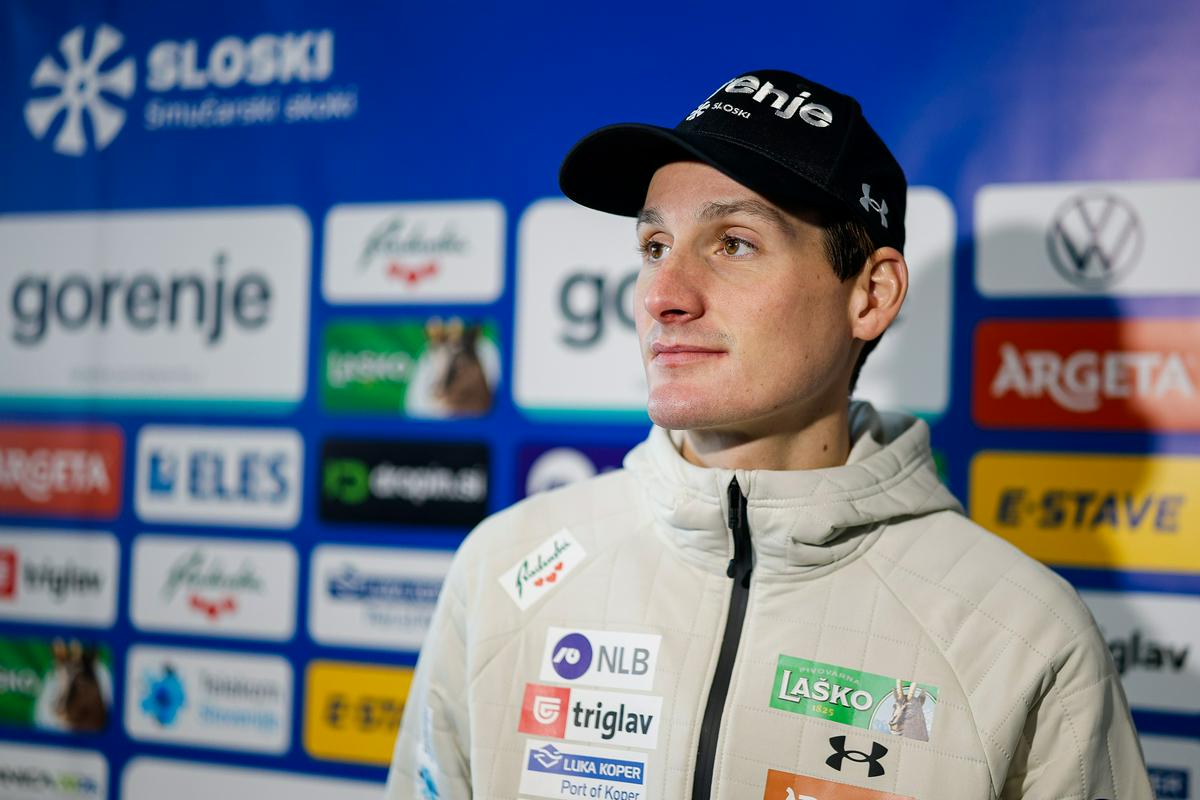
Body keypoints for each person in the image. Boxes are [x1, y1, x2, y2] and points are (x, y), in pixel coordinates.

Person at [386, 69, 1152, 800]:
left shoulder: (1023, 636)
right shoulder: (500, 569)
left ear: (871, 295)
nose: (662, 295)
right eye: (654, 247)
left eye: (734, 243)